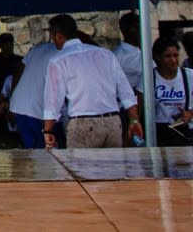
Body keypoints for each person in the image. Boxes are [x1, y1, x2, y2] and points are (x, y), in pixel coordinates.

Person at [42, 14, 143, 149]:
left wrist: (48, 130)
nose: (53, 41)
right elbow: (126, 92)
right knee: (113, 169)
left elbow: (53, 100)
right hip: (113, 122)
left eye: (52, 37)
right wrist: (134, 119)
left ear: (58, 35)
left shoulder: (58, 60)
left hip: (83, 123)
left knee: (79, 170)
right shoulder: (106, 54)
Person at [137, 37, 193, 147]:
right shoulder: (149, 77)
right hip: (158, 130)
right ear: (158, 57)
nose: (173, 60)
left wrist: (190, 114)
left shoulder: (189, 75)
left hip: (184, 130)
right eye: (168, 56)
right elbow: (139, 107)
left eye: (176, 56)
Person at [9, 41, 65, 149]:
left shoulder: (37, 48)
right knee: (50, 153)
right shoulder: (63, 53)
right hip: (38, 109)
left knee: (32, 152)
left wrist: (11, 100)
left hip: (19, 104)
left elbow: (18, 72)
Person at [113, 12, 143, 90]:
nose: (142, 31)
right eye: (138, 27)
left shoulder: (144, 52)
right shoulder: (117, 56)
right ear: (130, 30)